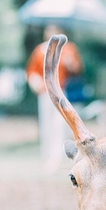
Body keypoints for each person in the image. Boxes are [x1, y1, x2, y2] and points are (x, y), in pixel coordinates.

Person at [26, 25, 84, 173]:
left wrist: (70, 63)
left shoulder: (69, 49)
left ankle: (57, 156)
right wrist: (36, 82)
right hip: (45, 92)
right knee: (46, 123)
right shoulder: (40, 49)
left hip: (62, 91)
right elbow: (32, 70)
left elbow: (78, 69)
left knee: (60, 124)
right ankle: (47, 154)